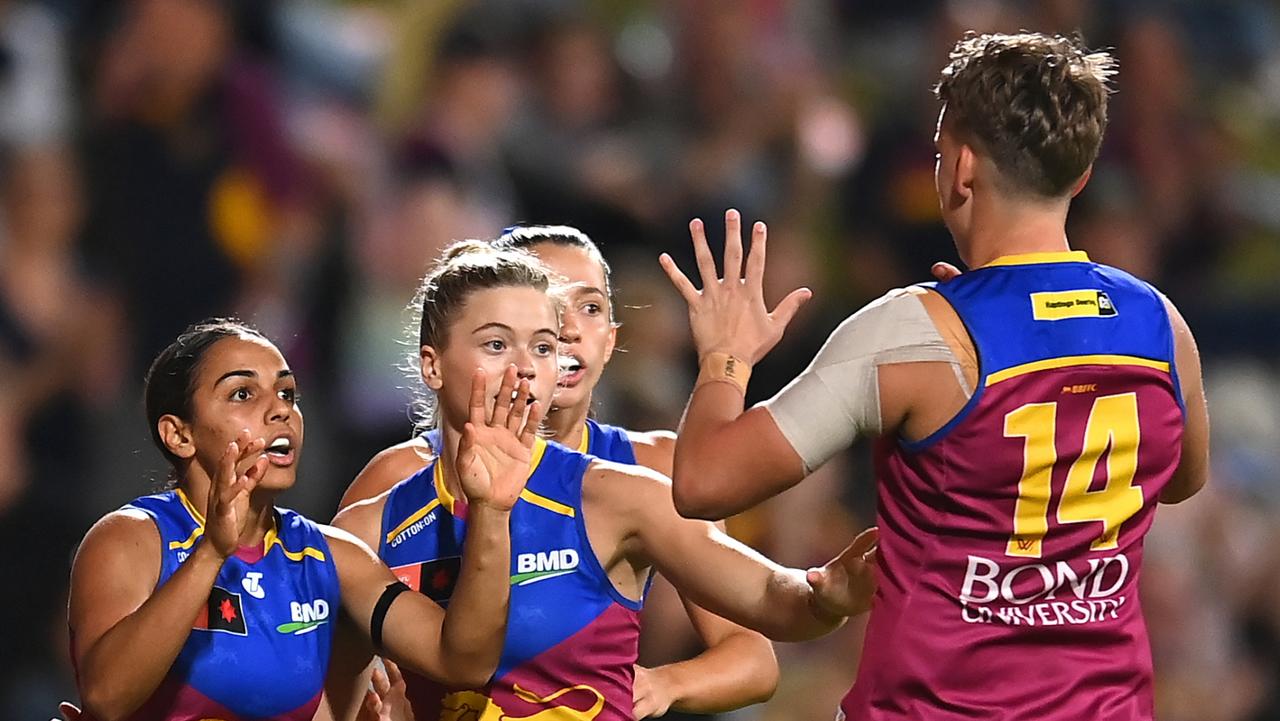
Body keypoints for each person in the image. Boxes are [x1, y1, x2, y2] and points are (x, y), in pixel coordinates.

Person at [659, 32, 1210, 720]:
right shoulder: (1160, 323)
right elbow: (1182, 477)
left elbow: (704, 481)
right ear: (1080, 175)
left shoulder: (914, 334)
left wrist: (724, 356)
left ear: (961, 168)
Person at [328, 241, 877, 721]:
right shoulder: (370, 524)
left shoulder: (626, 493)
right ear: (432, 363)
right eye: (497, 345)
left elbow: (771, 605)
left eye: (542, 347)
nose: (525, 367)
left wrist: (827, 594)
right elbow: (327, 694)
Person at [68, 318, 539, 720]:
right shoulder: (131, 539)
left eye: (288, 393)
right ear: (179, 434)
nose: (281, 411)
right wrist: (212, 552)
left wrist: (491, 513)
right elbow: (107, 697)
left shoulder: (331, 557)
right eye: (242, 393)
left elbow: (462, 661)